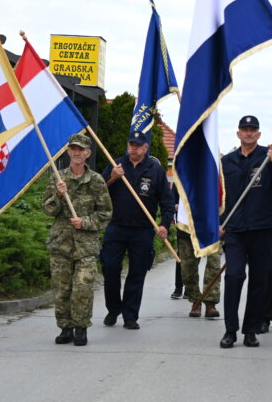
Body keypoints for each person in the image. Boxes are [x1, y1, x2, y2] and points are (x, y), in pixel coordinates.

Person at [99, 130, 174, 330]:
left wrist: (164, 225)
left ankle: (130, 315)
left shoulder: (155, 169)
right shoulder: (116, 165)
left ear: (145, 148)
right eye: (131, 144)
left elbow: (167, 202)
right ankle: (113, 309)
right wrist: (113, 178)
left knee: (137, 273)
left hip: (142, 230)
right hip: (116, 227)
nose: (134, 148)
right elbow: (97, 194)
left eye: (138, 145)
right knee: (110, 268)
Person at [42, 133, 112, 346]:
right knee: (62, 288)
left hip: (86, 245)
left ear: (88, 153)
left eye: (81, 149)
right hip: (61, 242)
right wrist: (59, 195)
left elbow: (105, 213)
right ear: (69, 152)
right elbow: (48, 209)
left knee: (83, 286)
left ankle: (81, 327)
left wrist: (85, 222)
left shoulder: (97, 181)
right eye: (73, 149)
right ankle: (65, 328)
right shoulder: (58, 177)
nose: (77, 153)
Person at [219, 115, 272, 349]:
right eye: (245, 129)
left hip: (263, 228)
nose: (249, 133)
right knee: (233, 276)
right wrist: (219, 222)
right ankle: (230, 330)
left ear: (259, 134)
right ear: (238, 133)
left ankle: (251, 330)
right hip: (234, 229)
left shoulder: (269, 158)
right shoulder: (227, 162)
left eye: (253, 129)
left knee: (259, 281)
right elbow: (219, 195)